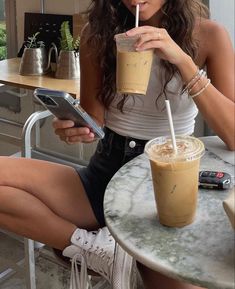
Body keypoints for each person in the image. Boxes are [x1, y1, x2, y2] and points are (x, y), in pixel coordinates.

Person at [0, 0, 234, 289]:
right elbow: (93, 121)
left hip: (165, 188)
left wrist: (182, 60)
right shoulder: (97, 34)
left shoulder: (210, 35)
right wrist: (76, 130)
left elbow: (233, 136)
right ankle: (94, 251)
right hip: (104, 175)